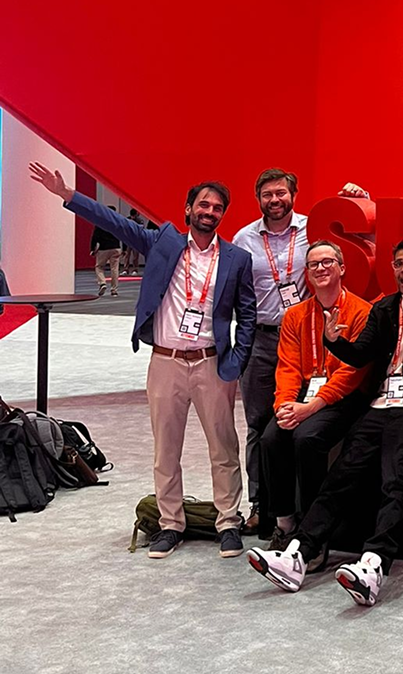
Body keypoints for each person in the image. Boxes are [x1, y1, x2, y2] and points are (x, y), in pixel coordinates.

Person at [29, 161, 256, 559]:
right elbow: (115, 222)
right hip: (166, 362)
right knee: (166, 449)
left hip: (211, 364)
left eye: (217, 207)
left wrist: (236, 361)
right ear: (188, 209)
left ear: (223, 214)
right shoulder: (164, 242)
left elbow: (248, 314)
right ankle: (170, 524)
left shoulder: (236, 258)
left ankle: (228, 523)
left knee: (223, 448)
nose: (209, 212)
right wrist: (68, 194)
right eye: (203, 204)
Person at [247, 238, 403, 607]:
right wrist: (334, 341)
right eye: (399, 263)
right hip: (377, 406)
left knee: (397, 480)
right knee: (341, 475)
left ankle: (373, 564)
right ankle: (298, 552)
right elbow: (361, 354)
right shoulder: (384, 308)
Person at [231, 168, 369, 535]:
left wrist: (360, 201)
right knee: (261, 426)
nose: (275, 200)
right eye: (267, 195)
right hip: (265, 336)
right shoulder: (243, 238)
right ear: (258, 199)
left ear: (293, 194)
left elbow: (361, 240)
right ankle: (264, 508)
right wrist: (286, 405)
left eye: (281, 193)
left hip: (317, 334)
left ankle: (309, 522)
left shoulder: (315, 229)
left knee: (304, 434)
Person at [258, 240, 373, 547]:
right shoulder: (295, 315)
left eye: (327, 262)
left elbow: (352, 372)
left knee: (307, 439)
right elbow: (287, 367)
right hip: (303, 395)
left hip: (344, 397)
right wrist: (284, 405)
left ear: (342, 268)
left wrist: (309, 409)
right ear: (307, 273)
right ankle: (285, 522)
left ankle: (314, 533)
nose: (320, 269)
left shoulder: (362, 312)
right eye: (313, 265)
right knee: (270, 438)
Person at [91, 209, 122, 296]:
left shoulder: (100, 222)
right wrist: (125, 248)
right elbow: (123, 235)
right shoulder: (117, 222)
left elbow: (95, 237)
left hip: (103, 248)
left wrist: (92, 249)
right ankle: (114, 290)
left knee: (99, 267)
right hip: (116, 247)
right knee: (114, 269)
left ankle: (102, 283)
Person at [121, 208, 146, 276]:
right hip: (129, 240)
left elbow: (141, 231)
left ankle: (135, 269)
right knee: (127, 255)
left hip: (135, 240)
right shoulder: (127, 220)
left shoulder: (139, 221)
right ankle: (126, 269)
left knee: (135, 256)